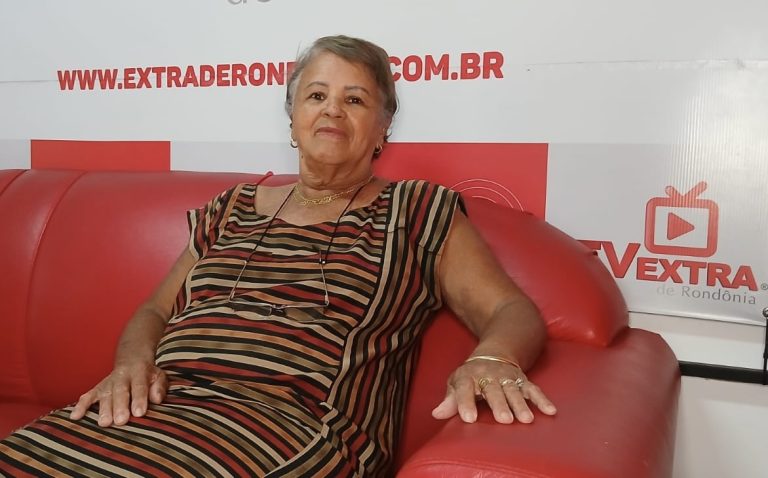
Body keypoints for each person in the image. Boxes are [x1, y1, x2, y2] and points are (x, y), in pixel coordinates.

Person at [0, 35, 556, 477]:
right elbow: (154, 310)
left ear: (383, 126)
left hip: (291, 426)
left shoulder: (417, 210)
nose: (331, 110)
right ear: (292, 117)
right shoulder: (232, 207)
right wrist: (132, 363)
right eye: (315, 96)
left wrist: (493, 359)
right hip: (157, 406)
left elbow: (511, 310)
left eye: (354, 99)